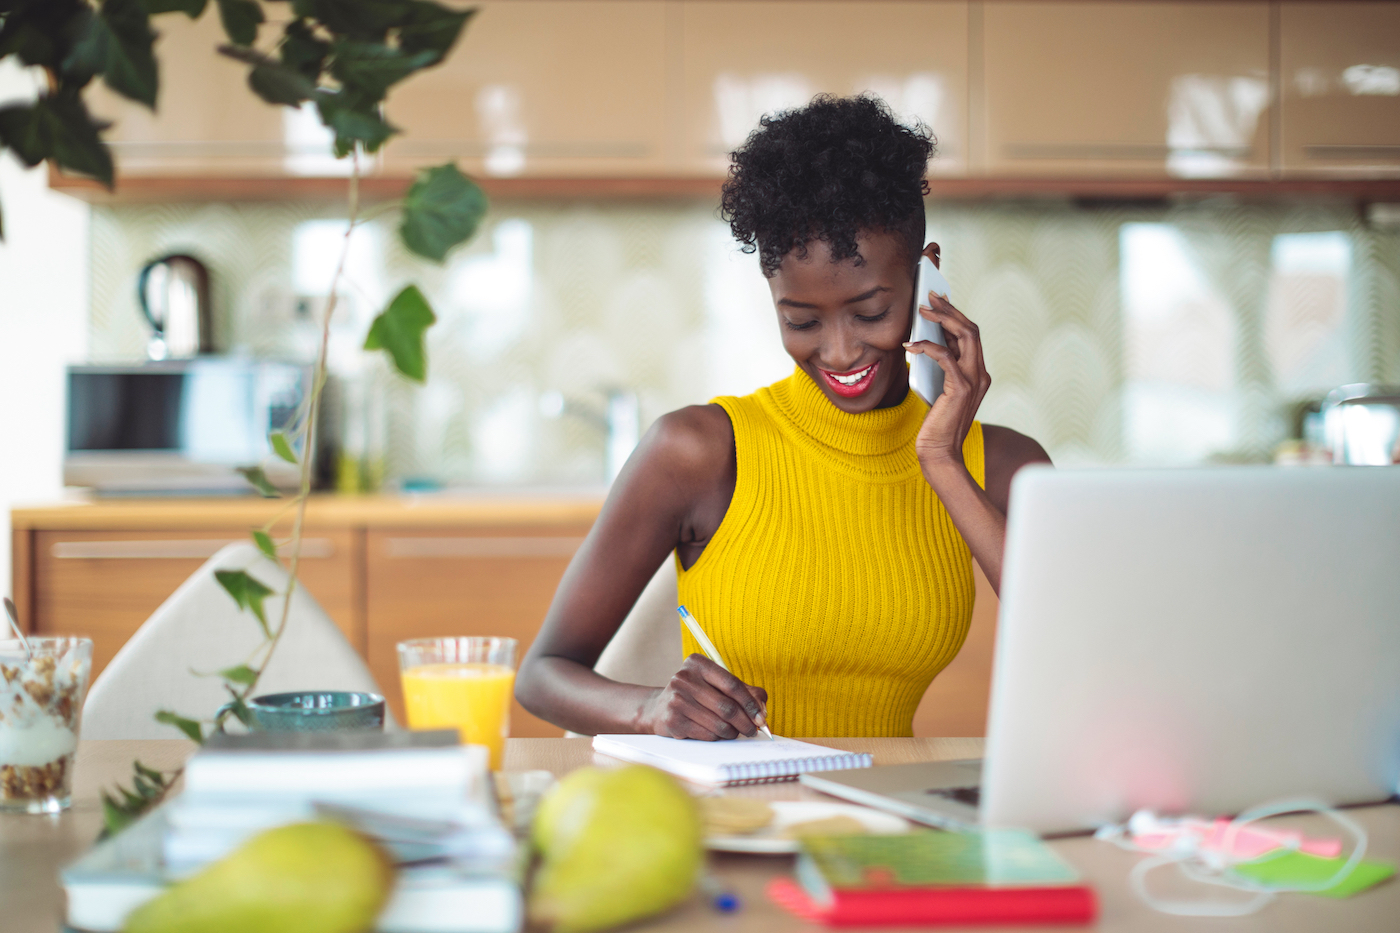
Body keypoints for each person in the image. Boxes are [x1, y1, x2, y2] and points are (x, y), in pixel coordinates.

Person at [515, 95, 1050, 740]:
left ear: (924, 274)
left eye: (871, 312)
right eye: (801, 321)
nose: (840, 352)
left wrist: (941, 460)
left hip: (889, 798)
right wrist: (649, 709)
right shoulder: (698, 452)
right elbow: (542, 675)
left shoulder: (1003, 466)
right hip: (727, 799)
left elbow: (1082, 658)